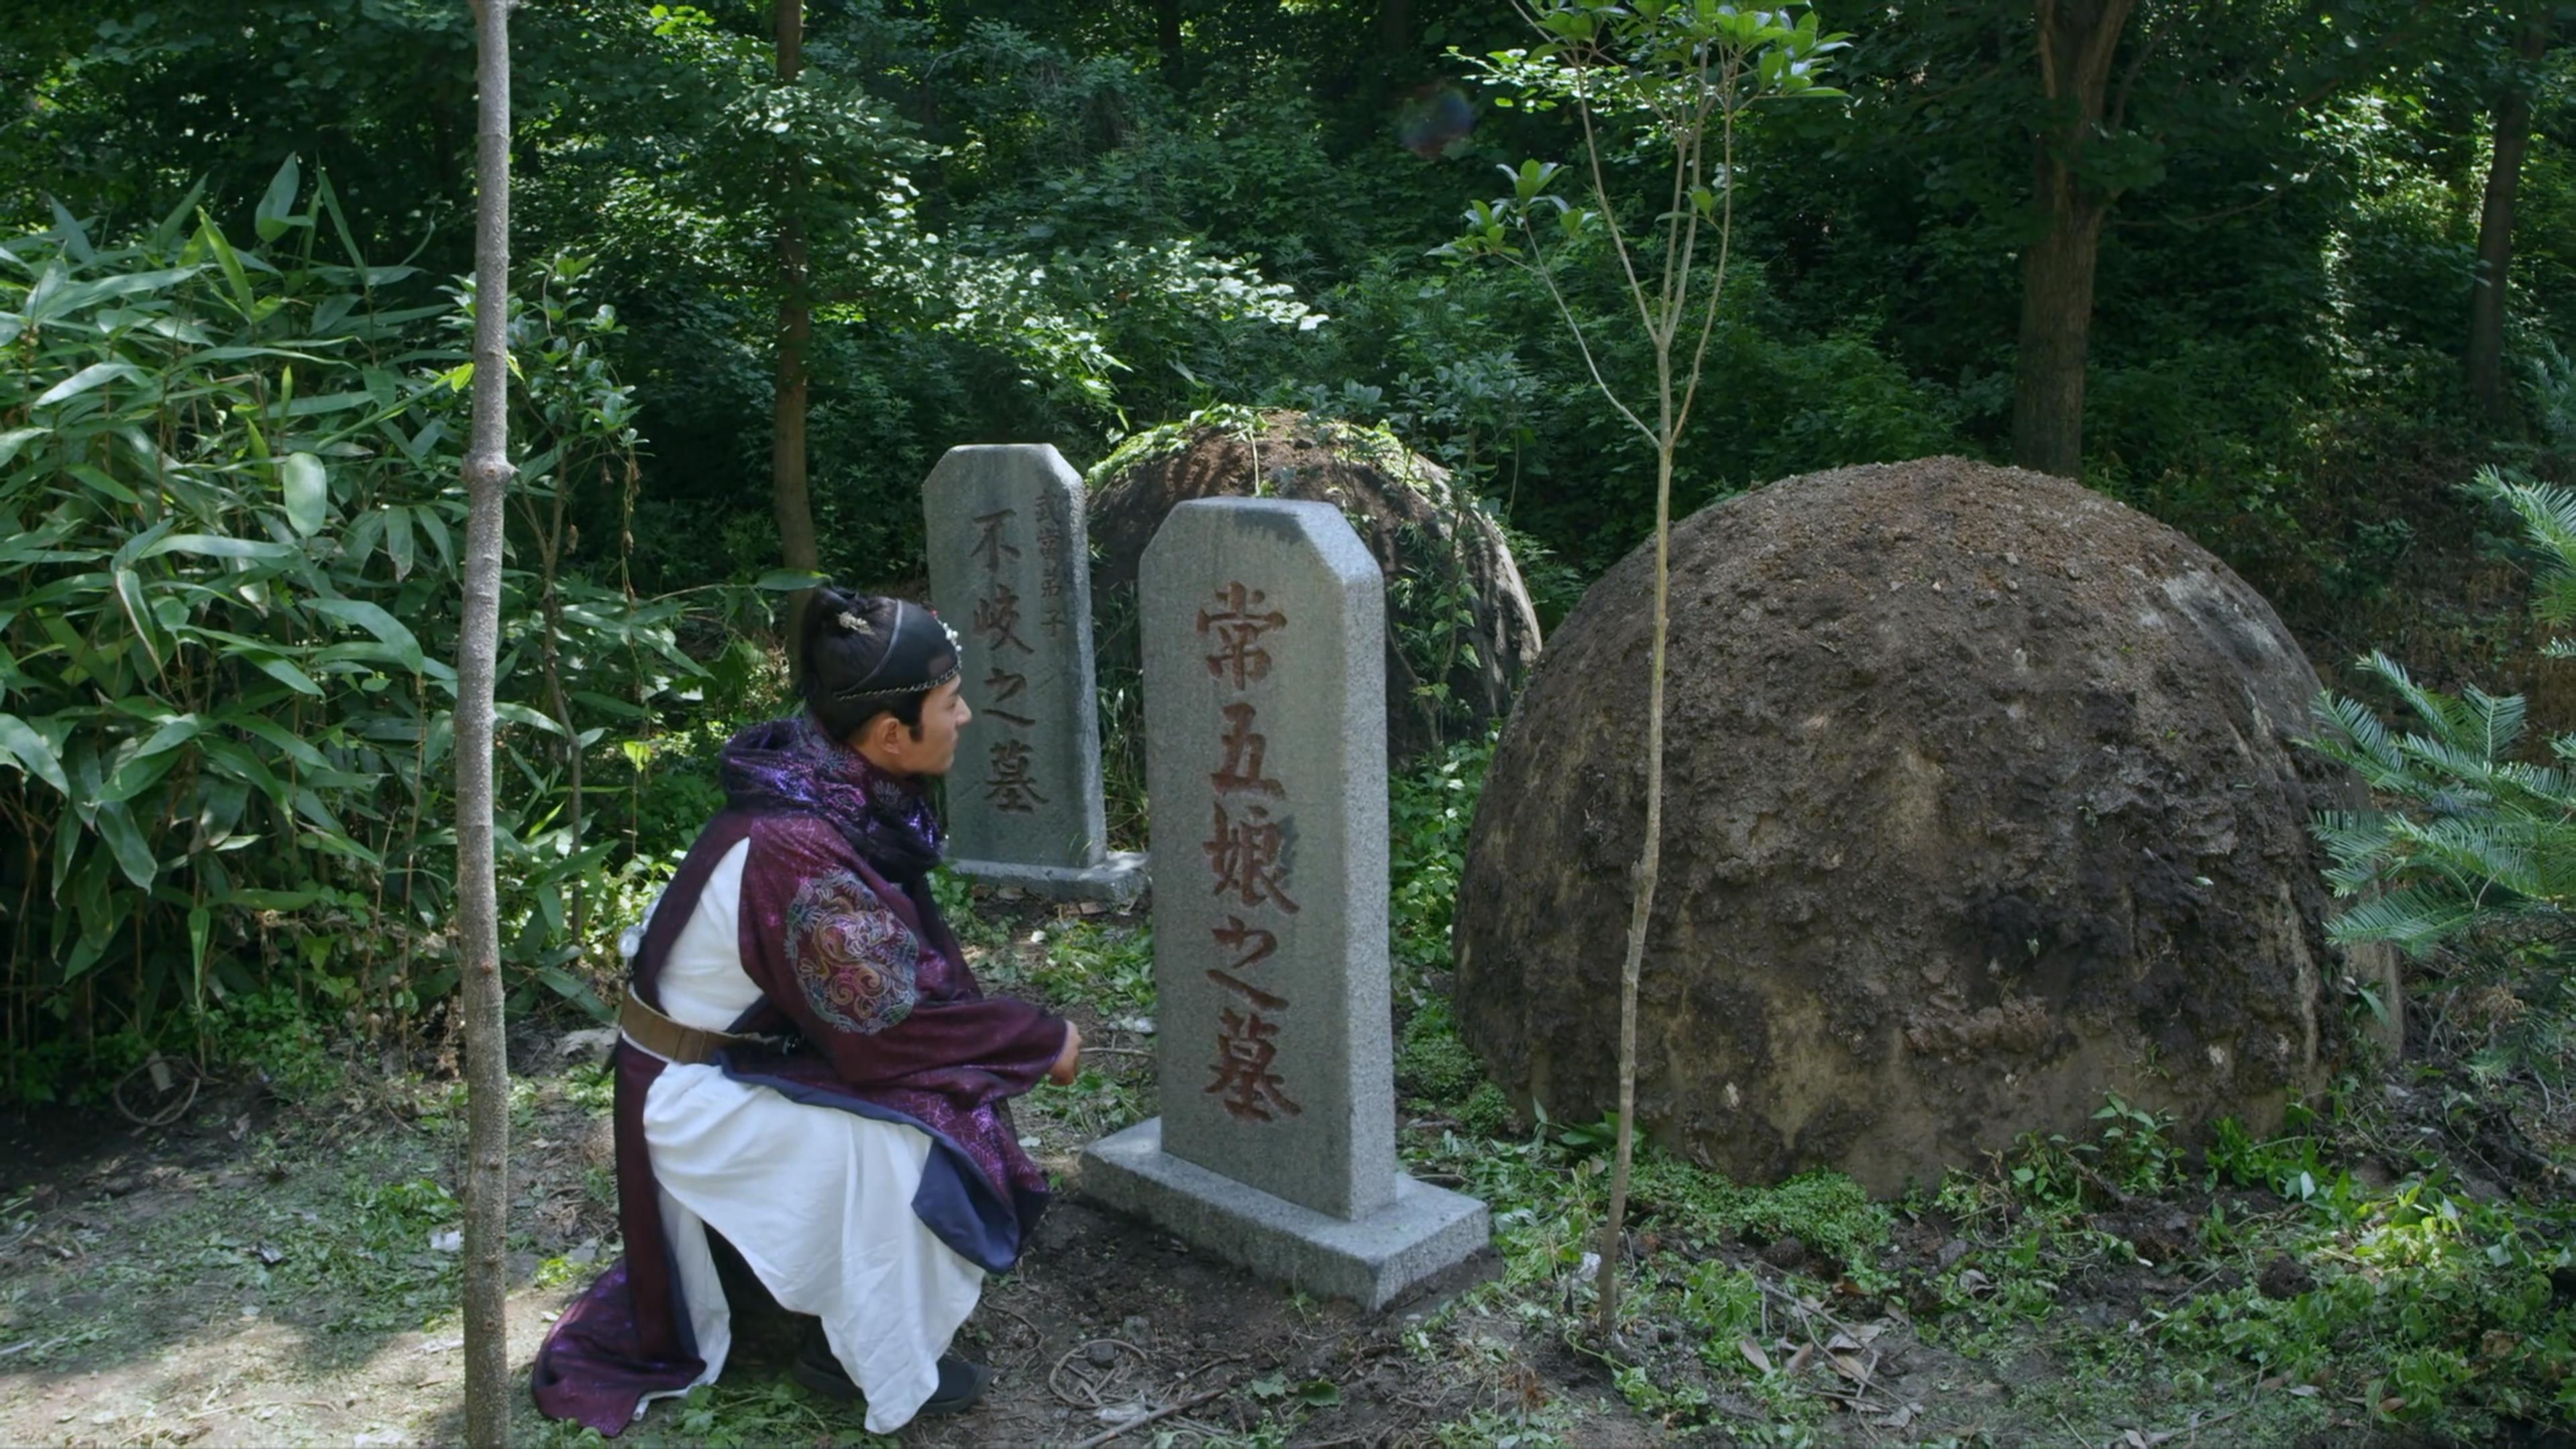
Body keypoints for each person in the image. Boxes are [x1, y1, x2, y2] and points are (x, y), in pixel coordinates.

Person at [532, 587, 1081, 1436]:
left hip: (747, 1050)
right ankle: (865, 1354)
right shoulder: (797, 844)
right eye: (950, 702)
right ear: (892, 732)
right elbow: (885, 1027)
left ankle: (808, 1294)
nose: (966, 716)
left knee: (937, 1101)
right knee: (903, 1140)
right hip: (690, 1087)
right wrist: (1038, 1040)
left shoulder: (829, 782)